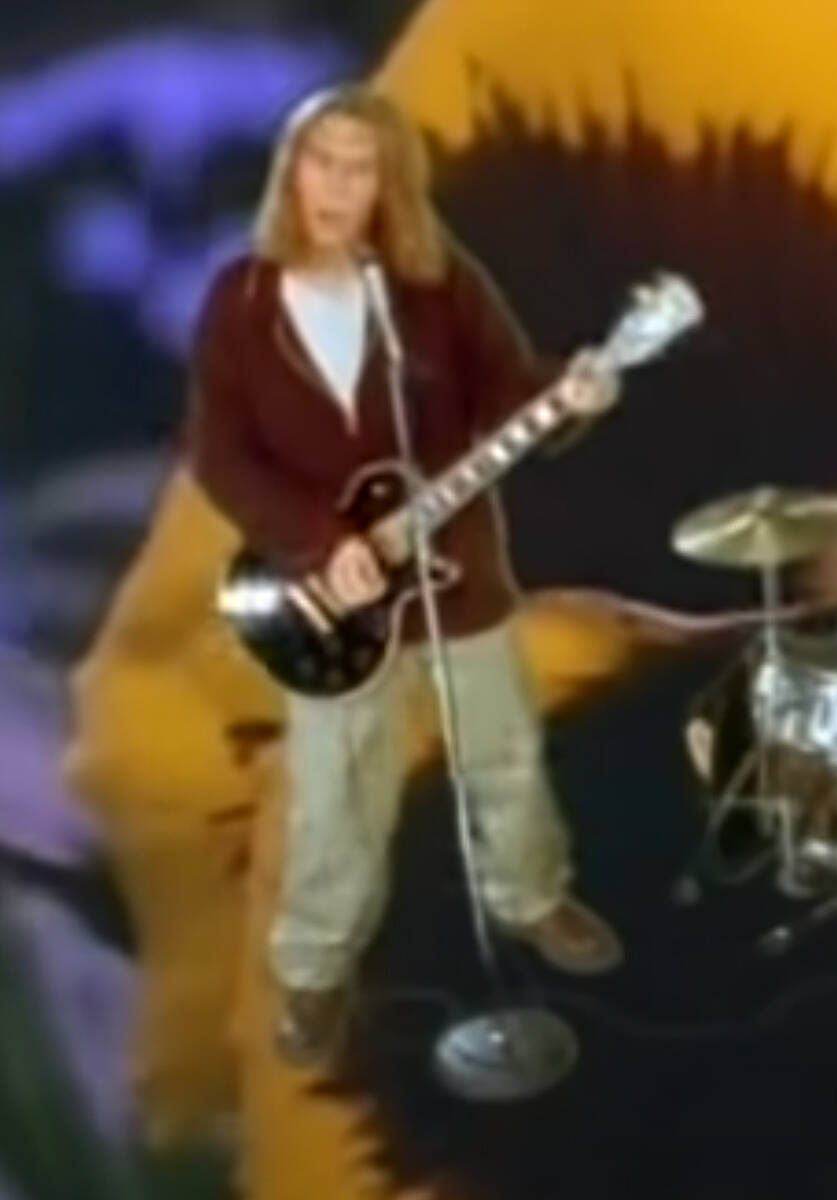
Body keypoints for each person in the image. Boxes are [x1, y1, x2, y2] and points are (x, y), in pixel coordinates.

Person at [183, 84, 625, 1066]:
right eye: (321, 162)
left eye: (361, 169)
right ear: (290, 170)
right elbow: (218, 454)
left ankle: (530, 899)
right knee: (334, 796)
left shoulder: (432, 285)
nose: (337, 187)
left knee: (506, 757)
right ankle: (315, 969)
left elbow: (508, 390)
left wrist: (572, 393)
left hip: (456, 577)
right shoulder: (241, 301)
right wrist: (317, 542)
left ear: (390, 186)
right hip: (326, 603)